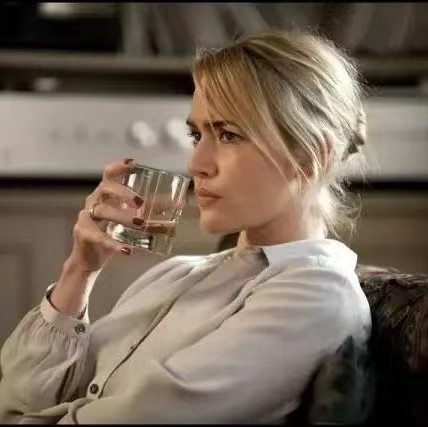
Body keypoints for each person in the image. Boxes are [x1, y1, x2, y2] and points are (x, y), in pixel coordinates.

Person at [0, 30, 371, 424]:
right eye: (197, 135)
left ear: (313, 155)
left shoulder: (315, 293)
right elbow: (17, 396)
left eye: (228, 135)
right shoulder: (176, 274)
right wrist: (80, 269)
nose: (196, 163)